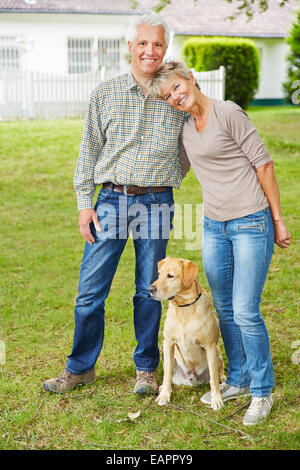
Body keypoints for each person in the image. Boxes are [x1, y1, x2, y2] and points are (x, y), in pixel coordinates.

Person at [43, 15, 188, 396]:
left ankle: (146, 369)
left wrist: (171, 176)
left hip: (157, 202)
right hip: (109, 201)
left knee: (148, 289)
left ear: (165, 48)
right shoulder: (105, 93)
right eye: (142, 43)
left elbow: (193, 144)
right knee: (90, 291)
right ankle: (80, 367)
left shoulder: (176, 93)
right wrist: (83, 204)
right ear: (129, 47)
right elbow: (88, 150)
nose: (149, 51)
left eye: (157, 45)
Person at [148, 61, 291, 425]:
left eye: (178, 88)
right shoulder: (184, 128)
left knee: (245, 310)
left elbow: (264, 164)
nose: (176, 97)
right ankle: (239, 378)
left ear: (191, 79)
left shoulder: (227, 112)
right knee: (224, 308)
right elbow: (174, 169)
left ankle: (262, 391)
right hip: (214, 226)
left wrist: (276, 219)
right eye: (168, 96)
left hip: (250, 221)